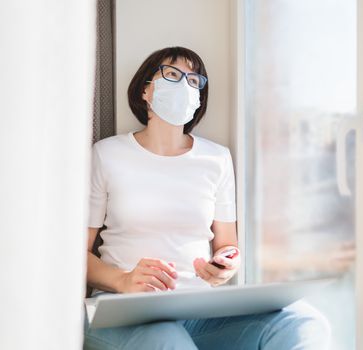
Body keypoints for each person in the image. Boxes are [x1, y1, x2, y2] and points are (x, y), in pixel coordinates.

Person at [83, 46, 331, 349]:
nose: (184, 85)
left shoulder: (216, 159)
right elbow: (75, 257)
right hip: (122, 310)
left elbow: (228, 246)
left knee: (303, 322)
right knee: (166, 339)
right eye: (172, 74)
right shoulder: (107, 154)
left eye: (193, 81)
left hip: (198, 309)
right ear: (145, 90)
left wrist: (224, 265)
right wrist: (123, 280)